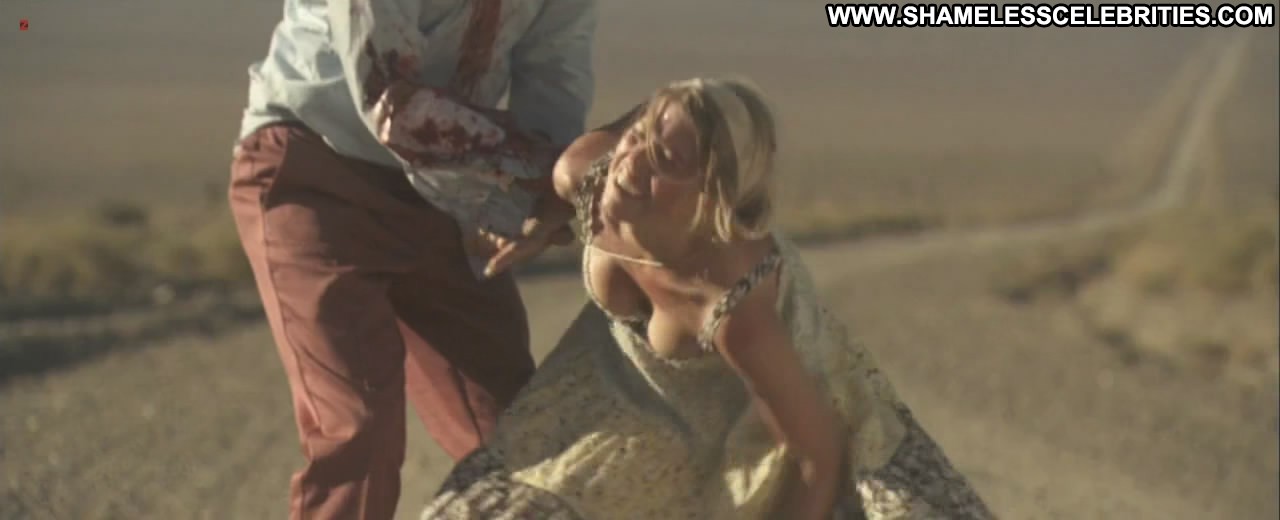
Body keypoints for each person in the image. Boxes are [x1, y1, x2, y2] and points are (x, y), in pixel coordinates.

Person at [420, 77, 996, 519]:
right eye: (638, 137)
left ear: (711, 199)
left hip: (761, 430)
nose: (631, 162)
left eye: (667, 161)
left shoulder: (733, 306)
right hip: (620, 401)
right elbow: (582, 173)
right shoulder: (587, 173)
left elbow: (815, 456)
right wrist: (535, 219)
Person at [226, 1, 595, 518]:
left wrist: (544, 201)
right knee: (359, 429)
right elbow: (392, 101)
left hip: (449, 188)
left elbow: (554, 71)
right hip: (315, 163)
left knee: (518, 429)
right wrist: (556, 172)